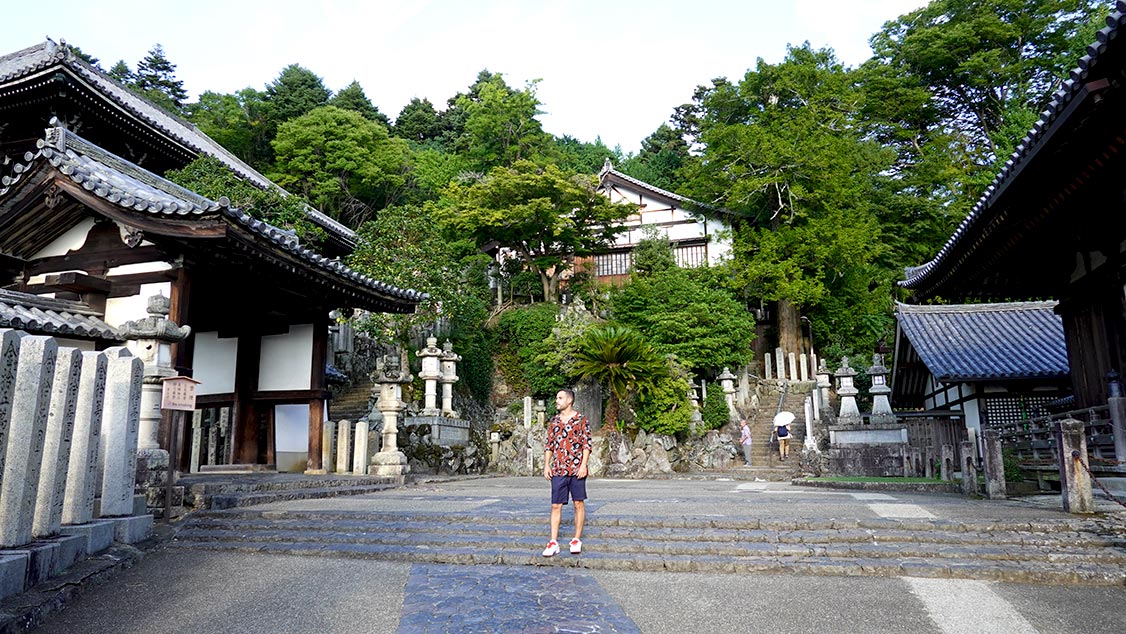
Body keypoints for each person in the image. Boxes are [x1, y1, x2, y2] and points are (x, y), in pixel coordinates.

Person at [542, 388, 592, 557]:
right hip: (558, 469)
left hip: (577, 468)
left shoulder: (581, 420)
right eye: (556, 397)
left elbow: (586, 444)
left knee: (579, 503)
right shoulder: (554, 422)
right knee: (555, 505)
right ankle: (553, 541)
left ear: (569, 400)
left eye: (560, 398)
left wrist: (583, 465)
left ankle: (577, 539)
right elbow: (549, 445)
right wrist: (546, 465)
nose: (557, 400)